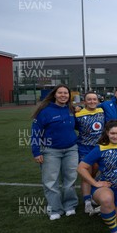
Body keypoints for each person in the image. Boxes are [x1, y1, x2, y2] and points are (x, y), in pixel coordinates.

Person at [77, 120, 117, 233]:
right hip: (106, 187)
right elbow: (81, 168)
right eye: (112, 133)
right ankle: (115, 232)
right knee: (107, 200)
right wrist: (95, 183)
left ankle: (101, 208)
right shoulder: (100, 148)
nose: (115, 136)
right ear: (107, 133)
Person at [31, 84, 79, 220]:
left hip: (71, 150)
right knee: (51, 181)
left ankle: (70, 206)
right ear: (54, 94)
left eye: (66, 93)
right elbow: (35, 133)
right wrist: (36, 152)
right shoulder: (45, 111)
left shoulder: (71, 109)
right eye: (60, 93)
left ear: (69, 96)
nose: (63, 95)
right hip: (50, 151)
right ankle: (55, 209)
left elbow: (77, 126)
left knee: (70, 179)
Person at [75, 91, 104, 214]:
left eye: (94, 99)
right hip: (84, 148)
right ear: (85, 101)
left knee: (95, 172)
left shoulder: (102, 111)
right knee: (86, 173)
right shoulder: (78, 115)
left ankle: (92, 196)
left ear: (97, 101)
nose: (92, 102)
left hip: (98, 148)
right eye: (89, 99)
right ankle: (87, 201)